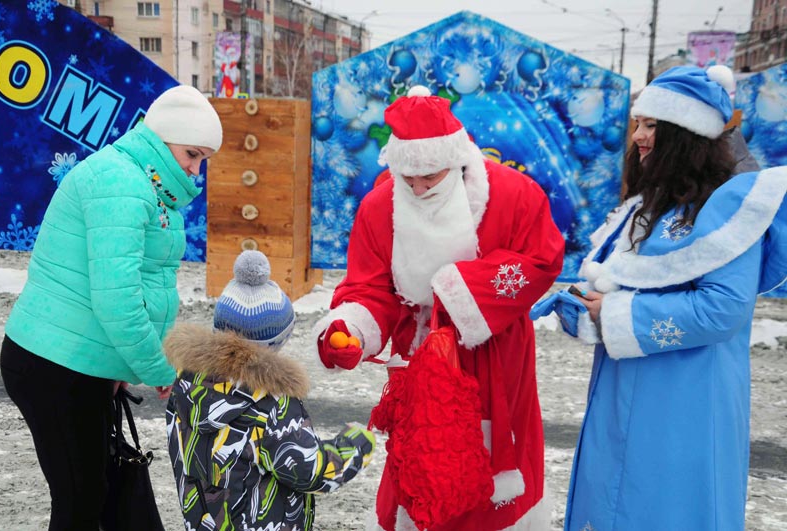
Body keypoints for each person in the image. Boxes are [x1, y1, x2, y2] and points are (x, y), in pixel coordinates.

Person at [534, 65, 787, 531]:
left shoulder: (727, 208)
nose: (639, 136)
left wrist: (616, 313)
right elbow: (626, 290)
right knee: (611, 499)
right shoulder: (650, 206)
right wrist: (589, 312)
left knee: (665, 509)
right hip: (620, 386)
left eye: (652, 125)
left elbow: (722, 310)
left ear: (686, 134)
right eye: (638, 123)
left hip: (686, 399)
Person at [312, 85, 565, 531]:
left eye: (431, 176)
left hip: (496, 357)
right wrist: (352, 326)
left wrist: (458, 290)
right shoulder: (378, 208)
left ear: (456, 158)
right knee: (424, 462)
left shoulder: (514, 195)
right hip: (418, 362)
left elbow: (544, 260)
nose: (419, 186)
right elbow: (370, 287)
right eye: (409, 178)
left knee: (491, 463)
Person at [0, 84, 223, 531]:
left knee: (93, 492)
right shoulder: (120, 183)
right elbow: (117, 300)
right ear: (163, 140)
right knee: (80, 500)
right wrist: (159, 369)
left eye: (203, 160)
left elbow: (135, 283)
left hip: (79, 363)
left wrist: (116, 365)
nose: (196, 171)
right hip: (53, 365)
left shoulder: (140, 183)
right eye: (192, 154)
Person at [164, 250, 376, 530]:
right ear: (276, 343)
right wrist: (357, 443)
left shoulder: (186, 382)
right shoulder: (273, 406)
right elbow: (310, 472)